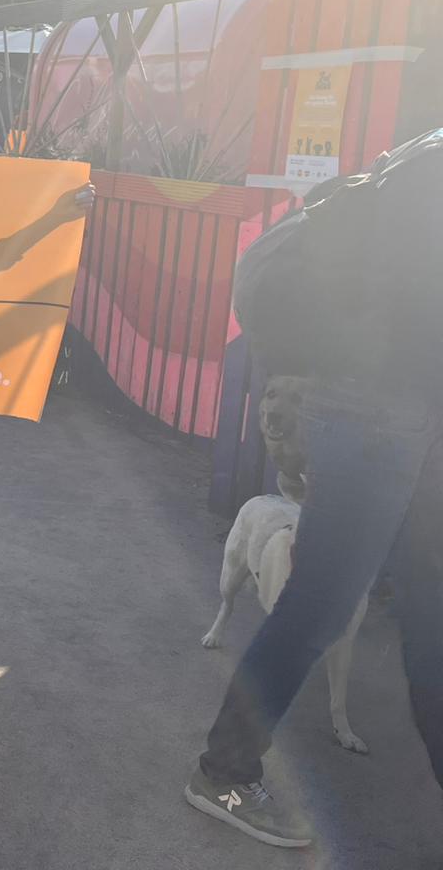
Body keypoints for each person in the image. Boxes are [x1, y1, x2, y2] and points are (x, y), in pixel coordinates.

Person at [183, 130, 443, 849]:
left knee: (425, 610)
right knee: (324, 604)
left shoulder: (427, 152)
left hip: (389, 409)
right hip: (379, 412)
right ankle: (224, 771)